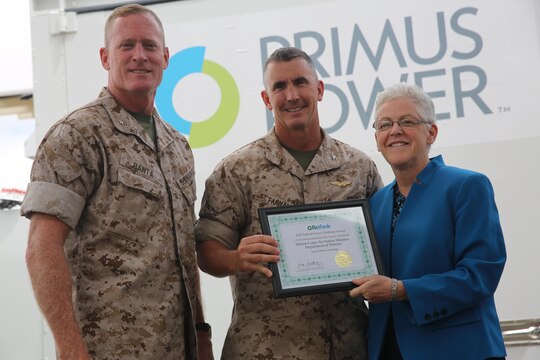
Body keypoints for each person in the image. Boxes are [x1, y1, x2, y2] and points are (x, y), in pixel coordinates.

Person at [21, 4, 212, 360]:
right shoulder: (77, 136)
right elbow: (41, 248)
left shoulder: (177, 148)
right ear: (105, 57)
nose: (140, 56)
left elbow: (184, 254)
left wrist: (202, 337)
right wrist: (69, 347)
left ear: (166, 57)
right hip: (107, 350)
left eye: (150, 46)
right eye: (127, 46)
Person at [194, 46, 383, 359]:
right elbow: (206, 252)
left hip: (349, 347)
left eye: (300, 82)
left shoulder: (359, 168)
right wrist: (236, 259)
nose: (291, 95)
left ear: (319, 90)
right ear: (267, 100)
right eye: (279, 87)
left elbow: (386, 248)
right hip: (265, 349)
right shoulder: (236, 171)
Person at [350, 82, 506, 359]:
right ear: (377, 138)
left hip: (457, 350)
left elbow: (480, 275)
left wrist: (401, 290)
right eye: (384, 125)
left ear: (431, 132)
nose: (394, 131)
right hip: (388, 349)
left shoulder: (467, 186)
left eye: (407, 121)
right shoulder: (375, 204)